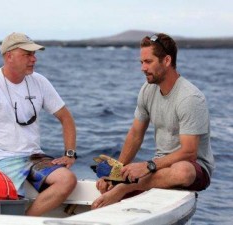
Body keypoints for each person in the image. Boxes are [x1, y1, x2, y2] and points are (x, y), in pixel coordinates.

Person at [91, 33, 215, 209]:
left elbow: (189, 153)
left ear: (166, 61)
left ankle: (127, 187)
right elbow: (135, 134)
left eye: (148, 62)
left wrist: (146, 167)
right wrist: (116, 173)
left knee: (183, 170)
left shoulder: (190, 98)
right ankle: (124, 187)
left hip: (193, 168)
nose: (143, 68)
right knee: (106, 185)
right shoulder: (147, 90)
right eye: (141, 62)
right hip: (159, 166)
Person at [0, 32, 77, 216]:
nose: (33, 59)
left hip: (34, 157)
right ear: (9, 56)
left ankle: (27, 220)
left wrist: (70, 153)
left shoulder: (39, 81)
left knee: (67, 180)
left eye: (34, 54)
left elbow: (66, 118)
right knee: (8, 200)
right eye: (27, 54)